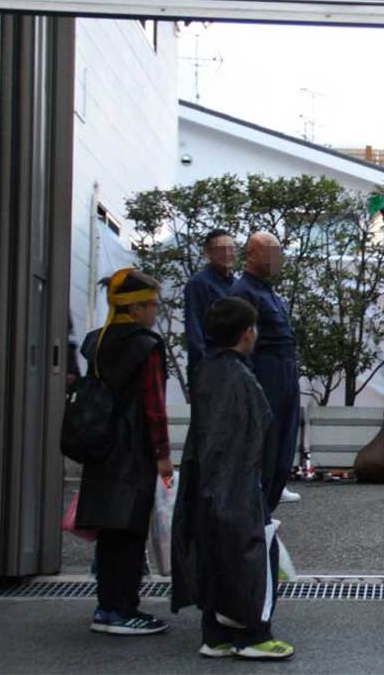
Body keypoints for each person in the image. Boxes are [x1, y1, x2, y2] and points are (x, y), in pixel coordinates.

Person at [172, 297, 293, 660]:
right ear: (247, 333)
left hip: (206, 481)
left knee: (213, 551)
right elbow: (253, 439)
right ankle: (254, 635)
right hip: (237, 483)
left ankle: (216, 634)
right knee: (252, 554)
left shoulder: (207, 370)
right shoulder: (242, 378)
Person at [76, 268, 173, 636]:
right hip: (134, 449)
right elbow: (153, 404)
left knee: (109, 529)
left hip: (101, 445)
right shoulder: (145, 345)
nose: (154, 311)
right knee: (130, 531)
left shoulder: (95, 341)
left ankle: (106, 607)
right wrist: (163, 454)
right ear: (134, 309)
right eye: (150, 305)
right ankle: (123, 610)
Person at [230, 232, 302, 507]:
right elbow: (241, 343)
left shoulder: (267, 290)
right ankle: (257, 513)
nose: (277, 258)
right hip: (265, 370)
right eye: (270, 252)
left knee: (284, 440)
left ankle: (268, 508)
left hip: (284, 369)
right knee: (267, 443)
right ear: (251, 254)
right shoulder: (243, 291)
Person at [183, 229, 237, 388]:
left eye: (231, 248)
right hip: (212, 366)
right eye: (221, 249)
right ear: (208, 253)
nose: (227, 253)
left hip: (237, 366)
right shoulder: (198, 284)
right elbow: (194, 329)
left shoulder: (238, 285)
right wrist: (203, 369)